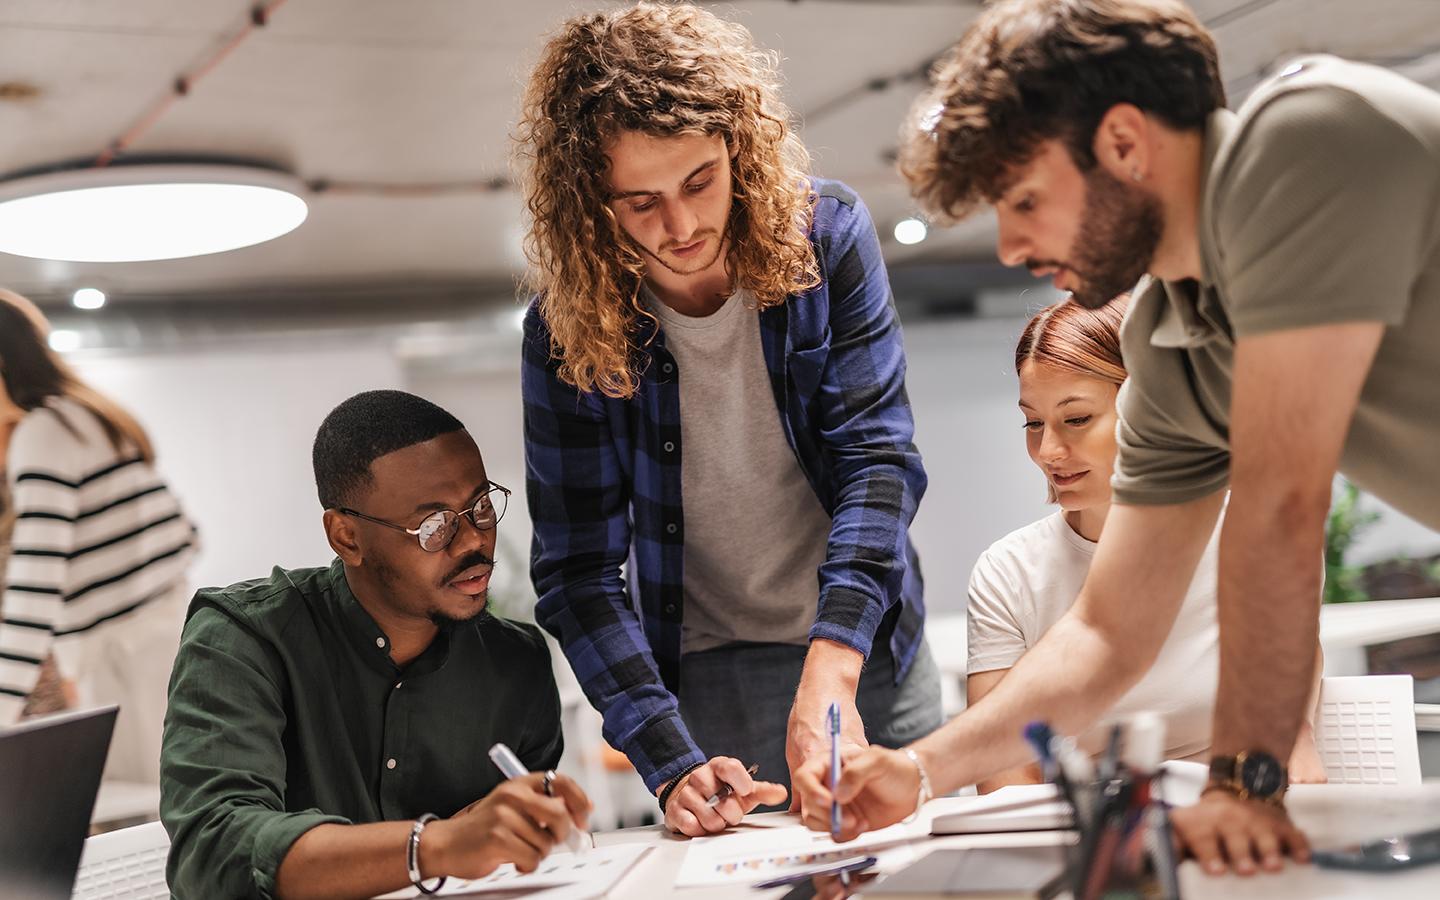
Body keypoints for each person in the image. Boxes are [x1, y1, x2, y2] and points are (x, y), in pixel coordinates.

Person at [794, 0, 1440, 875]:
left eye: (1026, 200)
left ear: (1127, 143)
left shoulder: (1302, 142)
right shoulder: (1173, 340)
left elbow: (1283, 505)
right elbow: (1106, 631)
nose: (1013, 246)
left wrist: (1245, 783)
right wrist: (920, 768)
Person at [515, 2, 941, 837]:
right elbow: (579, 572)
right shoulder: (565, 330)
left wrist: (833, 667)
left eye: (699, 182)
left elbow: (878, 462)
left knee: (918, 871)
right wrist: (670, 762)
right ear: (590, 203)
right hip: (704, 669)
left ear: (739, 151)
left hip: (863, 644)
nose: (679, 229)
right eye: (640, 202)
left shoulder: (826, 240)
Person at [160, 390, 590, 899]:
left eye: (480, 506)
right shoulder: (245, 638)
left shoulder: (515, 662)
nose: (473, 540)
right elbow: (213, 850)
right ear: (346, 537)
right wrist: (434, 845)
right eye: (434, 526)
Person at [967, 296, 1324, 793]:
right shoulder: (1007, 572)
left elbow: (1289, 724)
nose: (1047, 451)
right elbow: (1003, 778)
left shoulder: (1255, 529)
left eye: (1075, 419)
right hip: (1091, 846)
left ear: (1150, 408)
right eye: (1032, 422)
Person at [0, 288, 196, 783]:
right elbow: (186, 535)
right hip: (158, 641)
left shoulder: (43, 435)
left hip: (125, 664)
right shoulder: (89, 417)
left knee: (145, 821)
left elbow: (33, 589)